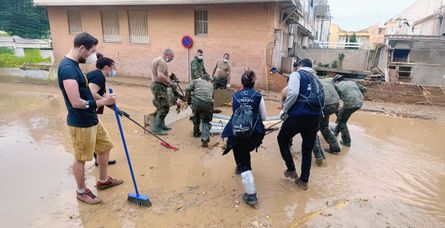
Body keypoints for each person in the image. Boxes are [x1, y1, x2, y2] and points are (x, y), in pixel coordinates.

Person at [58, 32, 123, 205]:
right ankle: (81, 191)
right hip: (81, 123)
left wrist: (104, 102)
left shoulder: (74, 65)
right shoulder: (67, 69)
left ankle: (102, 180)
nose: (92, 55)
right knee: (81, 158)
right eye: (91, 51)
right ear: (81, 48)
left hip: (92, 118)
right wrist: (102, 102)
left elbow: (86, 93)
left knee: (105, 146)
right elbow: (76, 102)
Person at [221, 70, 267, 206]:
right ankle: (242, 168)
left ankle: (251, 195)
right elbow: (264, 117)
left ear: (242, 82)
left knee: (242, 157)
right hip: (254, 134)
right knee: (245, 152)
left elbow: (235, 115)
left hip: (237, 133)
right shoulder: (258, 95)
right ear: (253, 83)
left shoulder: (235, 96)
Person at [277, 58, 321, 191]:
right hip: (315, 117)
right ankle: (304, 181)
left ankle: (291, 169)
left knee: (282, 138)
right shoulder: (316, 77)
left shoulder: (297, 74)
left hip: (298, 115)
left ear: (300, 66)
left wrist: (284, 111)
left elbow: (294, 92)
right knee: (307, 149)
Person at [86, 53, 118, 167]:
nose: (114, 70)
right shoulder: (98, 76)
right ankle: (100, 160)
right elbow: (92, 92)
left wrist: (116, 109)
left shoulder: (99, 76)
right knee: (98, 138)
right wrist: (105, 101)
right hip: (86, 111)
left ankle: (99, 159)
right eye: (113, 67)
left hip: (89, 110)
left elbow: (102, 94)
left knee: (96, 137)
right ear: (107, 68)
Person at [312, 72, 341, 165]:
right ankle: (335, 147)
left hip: (323, 106)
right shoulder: (329, 80)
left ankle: (319, 157)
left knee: (312, 132)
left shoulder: (313, 82)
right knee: (324, 127)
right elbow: (339, 91)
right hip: (334, 104)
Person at [333, 74, 367, 147]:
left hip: (350, 104)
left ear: (337, 81)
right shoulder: (352, 82)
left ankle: (347, 141)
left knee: (342, 121)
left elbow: (334, 97)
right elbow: (364, 89)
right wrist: (358, 96)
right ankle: (335, 132)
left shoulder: (338, 85)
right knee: (342, 117)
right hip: (360, 103)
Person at [185, 73, 214, 147]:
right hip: (208, 104)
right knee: (206, 121)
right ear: (208, 80)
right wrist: (211, 110)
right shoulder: (211, 85)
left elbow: (187, 89)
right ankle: (205, 139)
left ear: (201, 78)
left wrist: (188, 100)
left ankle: (196, 133)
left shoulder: (196, 81)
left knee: (196, 117)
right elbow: (212, 99)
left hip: (197, 101)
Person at [151, 49, 175, 135]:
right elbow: (160, 76)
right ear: (167, 55)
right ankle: (157, 128)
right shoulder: (162, 62)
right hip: (159, 86)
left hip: (158, 86)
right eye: (172, 57)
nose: (172, 59)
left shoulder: (156, 60)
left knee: (161, 106)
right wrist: (169, 83)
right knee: (164, 108)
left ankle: (161, 125)